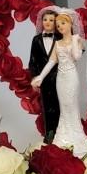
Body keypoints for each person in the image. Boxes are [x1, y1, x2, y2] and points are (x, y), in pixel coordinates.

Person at [31, 10, 87, 156]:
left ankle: (76, 138)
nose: (60, 27)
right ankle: (63, 138)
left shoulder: (75, 40)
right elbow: (51, 62)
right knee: (64, 108)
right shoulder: (57, 44)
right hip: (60, 79)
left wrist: (76, 41)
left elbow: (77, 57)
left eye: (62, 23)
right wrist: (40, 76)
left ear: (70, 24)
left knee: (72, 106)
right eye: (58, 25)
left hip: (71, 77)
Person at [27, 8, 61, 144]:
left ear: (55, 23)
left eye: (51, 20)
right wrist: (35, 77)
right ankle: (49, 134)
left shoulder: (60, 38)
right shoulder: (36, 40)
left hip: (59, 78)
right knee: (47, 107)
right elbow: (33, 60)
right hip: (44, 80)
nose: (47, 22)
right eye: (45, 19)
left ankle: (60, 134)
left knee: (60, 106)